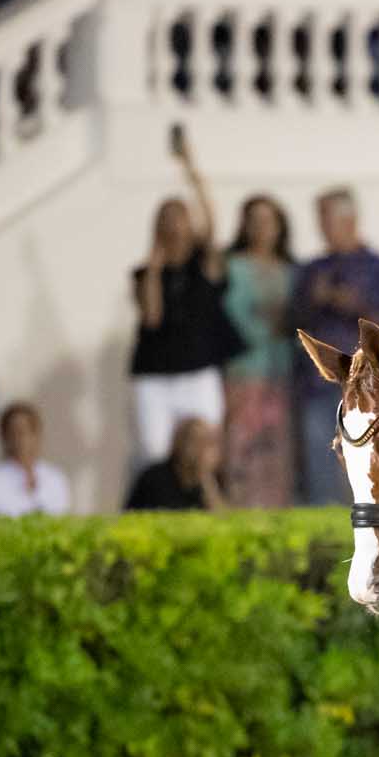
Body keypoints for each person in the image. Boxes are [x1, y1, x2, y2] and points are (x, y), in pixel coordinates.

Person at [127, 133, 244, 463]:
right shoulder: (146, 274)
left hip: (197, 369)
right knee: (156, 449)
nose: (174, 225)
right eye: (166, 218)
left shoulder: (202, 265)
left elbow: (211, 219)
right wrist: (153, 267)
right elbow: (151, 318)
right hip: (156, 372)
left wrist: (190, 169)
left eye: (179, 216)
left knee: (206, 443)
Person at [288, 186, 379, 504]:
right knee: (320, 470)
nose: (321, 228)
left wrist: (353, 304)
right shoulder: (312, 271)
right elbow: (292, 324)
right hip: (318, 384)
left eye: (326, 218)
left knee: (369, 471)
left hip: (368, 391)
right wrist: (316, 299)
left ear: (348, 219)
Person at [221, 194, 297, 507]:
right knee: (242, 448)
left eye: (269, 220)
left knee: (278, 452)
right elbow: (233, 314)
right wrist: (272, 326)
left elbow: (300, 319)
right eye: (255, 220)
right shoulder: (233, 267)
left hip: (282, 373)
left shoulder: (292, 270)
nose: (262, 228)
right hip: (245, 372)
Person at [0, 401, 72, 516]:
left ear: (37, 434)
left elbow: (62, 516)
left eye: (28, 430)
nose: (22, 438)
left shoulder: (55, 477)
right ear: (4, 437)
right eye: (14, 432)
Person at [126, 415, 225, 510]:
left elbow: (218, 518)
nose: (199, 451)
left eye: (206, 444)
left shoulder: (209, 484)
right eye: (194, 442)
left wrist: (207, 482)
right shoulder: (154, 478)